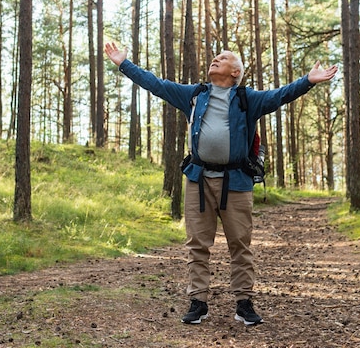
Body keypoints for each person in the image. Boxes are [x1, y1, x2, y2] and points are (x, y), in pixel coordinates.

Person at [104, 42, 338, 326]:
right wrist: (123, 64)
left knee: (240, 245)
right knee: (197, 244)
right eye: (216, 57)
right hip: (198, 180)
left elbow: (280, 96)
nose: (216, 59)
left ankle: (244, 304)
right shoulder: (195, 94)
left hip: (236, 182)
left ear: (236, 71)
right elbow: (156, 85)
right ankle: (198, 302)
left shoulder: (247, 99)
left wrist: (308, 82)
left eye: (223, 58)